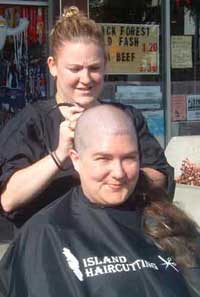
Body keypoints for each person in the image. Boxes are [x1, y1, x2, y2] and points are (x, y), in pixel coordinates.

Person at [0, 6, 174, 228]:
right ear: (53, 66)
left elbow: (160, 176)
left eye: (94, 68)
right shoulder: (31, 122)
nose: (86, 78)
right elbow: (8, 199)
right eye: (75, 69)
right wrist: (59, 154)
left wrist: (117, 172)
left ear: (105, 65)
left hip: (119, 243)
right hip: (50, 247)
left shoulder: (126, 118)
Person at [0, 105, 199, 297]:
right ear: (76, 160)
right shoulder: (45, 233)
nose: (119, 173)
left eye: (129, 158)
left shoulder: (168, 222)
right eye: (103, 159)